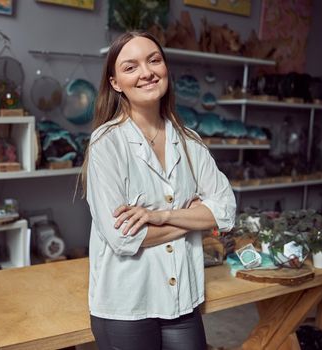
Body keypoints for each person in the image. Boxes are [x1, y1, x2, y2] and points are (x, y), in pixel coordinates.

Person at [82, 31, 236, 350]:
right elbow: (123, 237)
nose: (147, 72)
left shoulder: (190, 141)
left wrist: (159, 216)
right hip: (127, 304)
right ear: (114, 83)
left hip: (182, 299)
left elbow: (225, 211)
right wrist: (194, 218)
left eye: (154, 60)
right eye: (131, 66)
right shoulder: (106, 144)